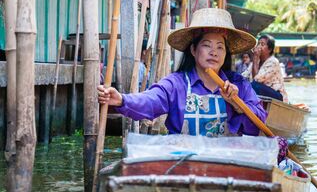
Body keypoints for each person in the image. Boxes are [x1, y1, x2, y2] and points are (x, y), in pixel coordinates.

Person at [97, 8, 267, 137]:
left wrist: (237, 104)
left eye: (220, 47)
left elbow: (260, 124)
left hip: (226, 165)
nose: (214, 52)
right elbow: (150, 100)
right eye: (207, 45)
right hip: (183, 164)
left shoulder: (239, 85)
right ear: (193, 50)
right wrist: (121, 100)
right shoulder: (176, 84)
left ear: (225, 54)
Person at [248, 34, 288, 102]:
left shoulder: (273, 61)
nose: (259, 47)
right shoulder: (256, 62)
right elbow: (244, 75)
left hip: (278, 96)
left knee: (254, 85)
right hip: (263, 91)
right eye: (258, 44)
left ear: (269, 49)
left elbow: (256, 80)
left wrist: (255, 57)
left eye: (262, 44)